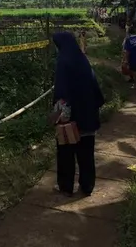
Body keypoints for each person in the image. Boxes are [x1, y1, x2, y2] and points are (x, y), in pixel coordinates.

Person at [50, 32, 105, 197]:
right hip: (88, 115)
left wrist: (57, 117)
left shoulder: (63, 61)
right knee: (86, 153)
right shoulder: (82, 60)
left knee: (66, 152)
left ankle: (66, 187)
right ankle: (87, 186)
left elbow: (61, 91)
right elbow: (94, 86)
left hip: (71, 118)